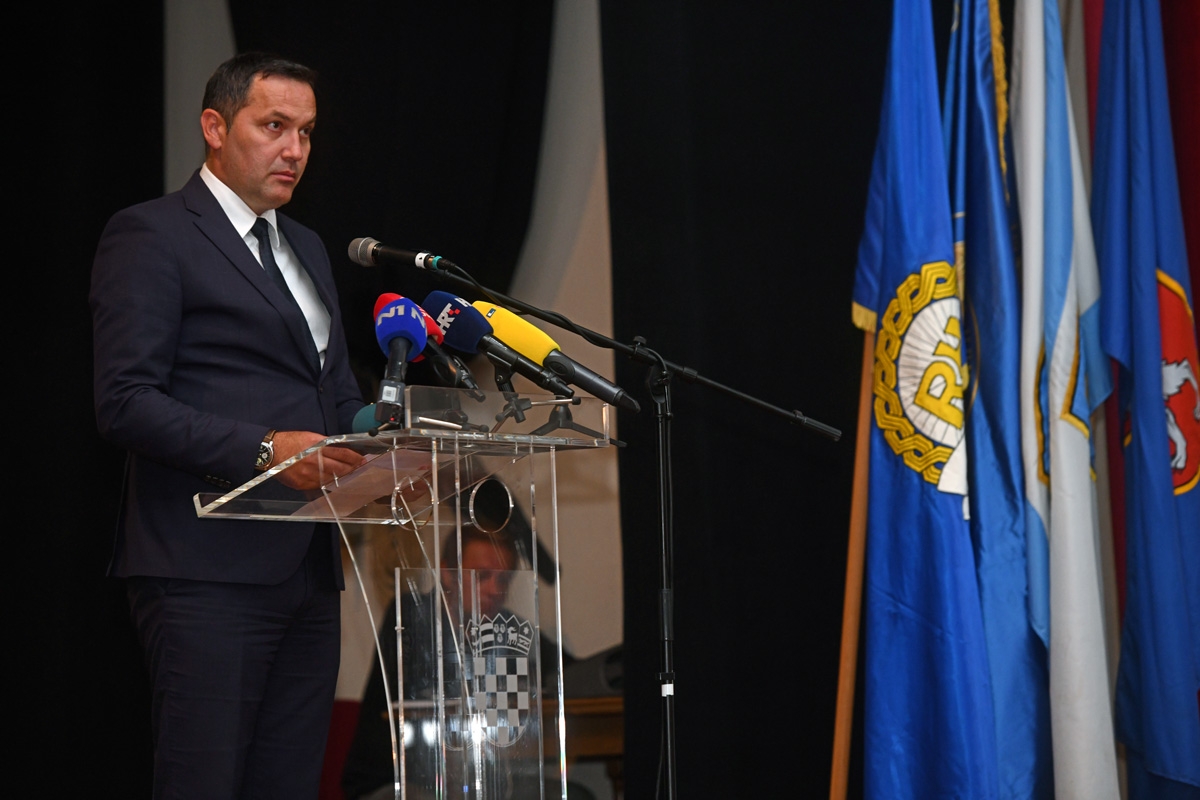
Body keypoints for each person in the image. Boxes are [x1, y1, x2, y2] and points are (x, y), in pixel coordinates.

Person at [91, 52, 365, 799]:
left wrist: (395, 445)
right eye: (274, 126)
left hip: (308, 570)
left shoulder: (306, 246)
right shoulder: (151, 234)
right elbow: (125, 400)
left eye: (306, 131)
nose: (295, 149)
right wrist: (267, 449)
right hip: (203, 568)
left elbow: (334, 394)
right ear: (215, 127)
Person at [341, 526, 562, 800]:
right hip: (399, 780)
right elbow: (430, 697)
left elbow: (570, 673)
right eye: (481, 576)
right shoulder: (411, 615)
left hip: (482, 779)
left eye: (504, 580)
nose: (495, 590)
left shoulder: (508, 627)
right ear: (447, 573)